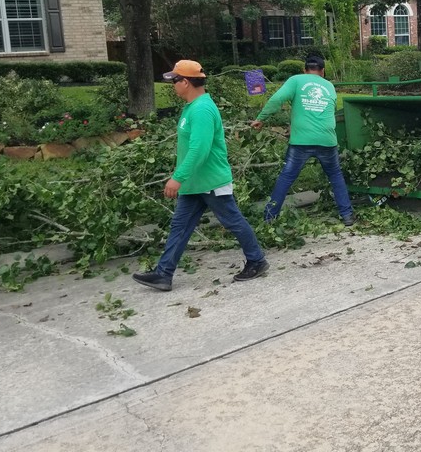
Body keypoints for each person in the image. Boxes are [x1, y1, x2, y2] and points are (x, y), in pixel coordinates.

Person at [133, 60, 268, 291]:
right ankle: (163, 274)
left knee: (233, 221)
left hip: (210, 181)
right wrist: (183, 178)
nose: (173, 85)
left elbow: (199, 150)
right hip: (194, 183)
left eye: (175, 80)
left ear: (186, 82)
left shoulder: (202, 109)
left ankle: (257, 260)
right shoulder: (193, 107)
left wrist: (178, 177)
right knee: (180, 226)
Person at [251, 55, 355, 226]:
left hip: (301, 141)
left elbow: (277, 99)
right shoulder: (329, 86)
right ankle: (347, 215)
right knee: (335, 175)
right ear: (322, 71)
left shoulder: (296, 80)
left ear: (304, 70)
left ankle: (269, 218)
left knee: (286, 177)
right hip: (327, 139)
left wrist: (261, 118)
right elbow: (331, 110)